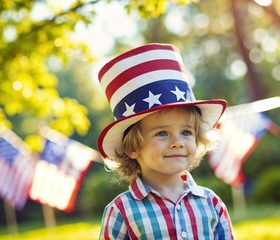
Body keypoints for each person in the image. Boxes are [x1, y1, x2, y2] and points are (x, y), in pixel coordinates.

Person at [96, 43, 236, 239]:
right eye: (162, 133)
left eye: (186, 132)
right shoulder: (122, 211)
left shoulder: (211, 203)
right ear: (132, 147)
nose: (177, 142)